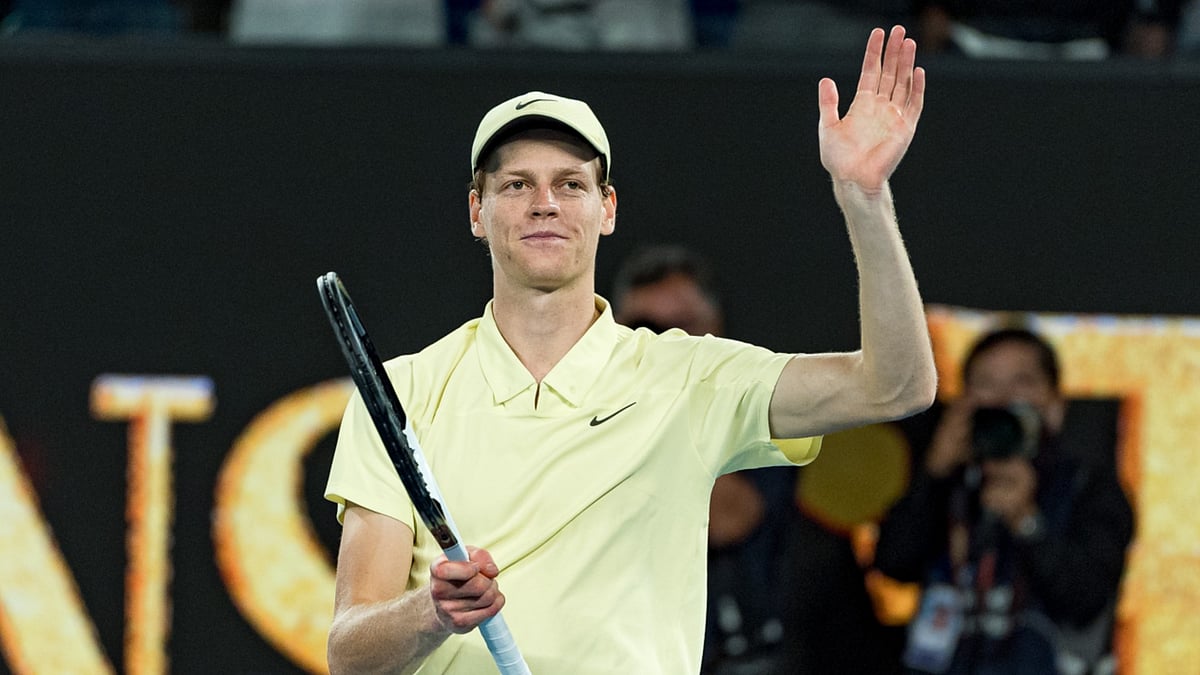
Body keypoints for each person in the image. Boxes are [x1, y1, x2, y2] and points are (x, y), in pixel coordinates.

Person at [324, 25, 936, 674]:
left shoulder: (688, 377)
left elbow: (896, 386)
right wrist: (432, 612)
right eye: (515, 185)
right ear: (477, 211)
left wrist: (864, 198)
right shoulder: (401, 392)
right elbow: (351, 654)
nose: (543, 204)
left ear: (607, 208)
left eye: (570, 184)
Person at [873, 328, 1135, 674]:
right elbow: (893, 563)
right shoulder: (952, 485)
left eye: (1022, 383)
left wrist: (1026, 522)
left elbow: (1086, 600)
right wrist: (935, 473)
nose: (1002, 399)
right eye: (986, 383)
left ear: (1055, 406)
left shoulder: (1088, 488)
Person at [609, 244, 798, 673]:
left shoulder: (755, 398)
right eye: (645, 330)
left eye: (680, 327)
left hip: (740, 652)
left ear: (714, 324)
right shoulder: (598, 409)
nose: (666, 344)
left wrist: (663, 395)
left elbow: (731, 518)